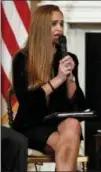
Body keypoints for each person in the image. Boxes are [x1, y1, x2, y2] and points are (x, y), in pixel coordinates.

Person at [11, 4, 87, 171]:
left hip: (60, 122)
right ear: (41, 27)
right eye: (53, 24)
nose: (59, 28)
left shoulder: (68, 57)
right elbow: (27, 102)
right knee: (66, 145)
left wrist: (69, 78)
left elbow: (79, 105)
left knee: (73, 124)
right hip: (32, 124)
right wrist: (58, 79)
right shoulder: (22, 59)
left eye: (61, 23)